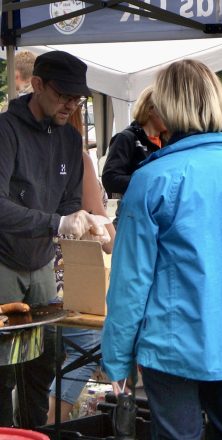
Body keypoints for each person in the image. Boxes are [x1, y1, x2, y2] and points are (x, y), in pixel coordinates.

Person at [101, 59, 222, 439]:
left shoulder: (150, 180)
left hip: (172, 346)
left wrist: (117, 357)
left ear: (166, 106)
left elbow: (130, 284)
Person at [0, 50, 109, 427]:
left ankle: (33, 431)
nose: (70, 104)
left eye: (77, 98)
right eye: (63, 95)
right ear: (37, 85)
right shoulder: (6, 130)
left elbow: (69, 203)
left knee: (43, 359)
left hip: (42, 262)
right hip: (3, 260)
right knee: (3, 365)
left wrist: (83, 221)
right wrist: (58, 222)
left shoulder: (69, 140)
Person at [48, 109, 116, 423]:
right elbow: (103, 228)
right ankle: (50, 427)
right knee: (87, 347)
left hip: (36, 274)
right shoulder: (78, 159)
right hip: (68, 278)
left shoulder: (27, 153)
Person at [101, 86, 167, 198]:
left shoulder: (168, 141)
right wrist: (149, 182)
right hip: (134, 209)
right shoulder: (126, 138)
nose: (171, 115)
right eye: (166, 109)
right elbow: (110, 179)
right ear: (150, 109)